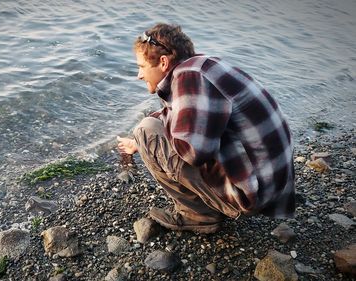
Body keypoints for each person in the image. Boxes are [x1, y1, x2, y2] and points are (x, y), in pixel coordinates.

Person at [117, 23, 295, 234]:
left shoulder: (189, 77)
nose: (139, 75)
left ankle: (198, 216)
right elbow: (186, 117)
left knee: (146, 129)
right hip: (274, 185)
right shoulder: (203, 67)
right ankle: (213, 205)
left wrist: (147, 141)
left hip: (254, 194)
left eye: (141, 66)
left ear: (163, 62)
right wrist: (140, 145)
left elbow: (194, 152)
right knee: (149, 130)